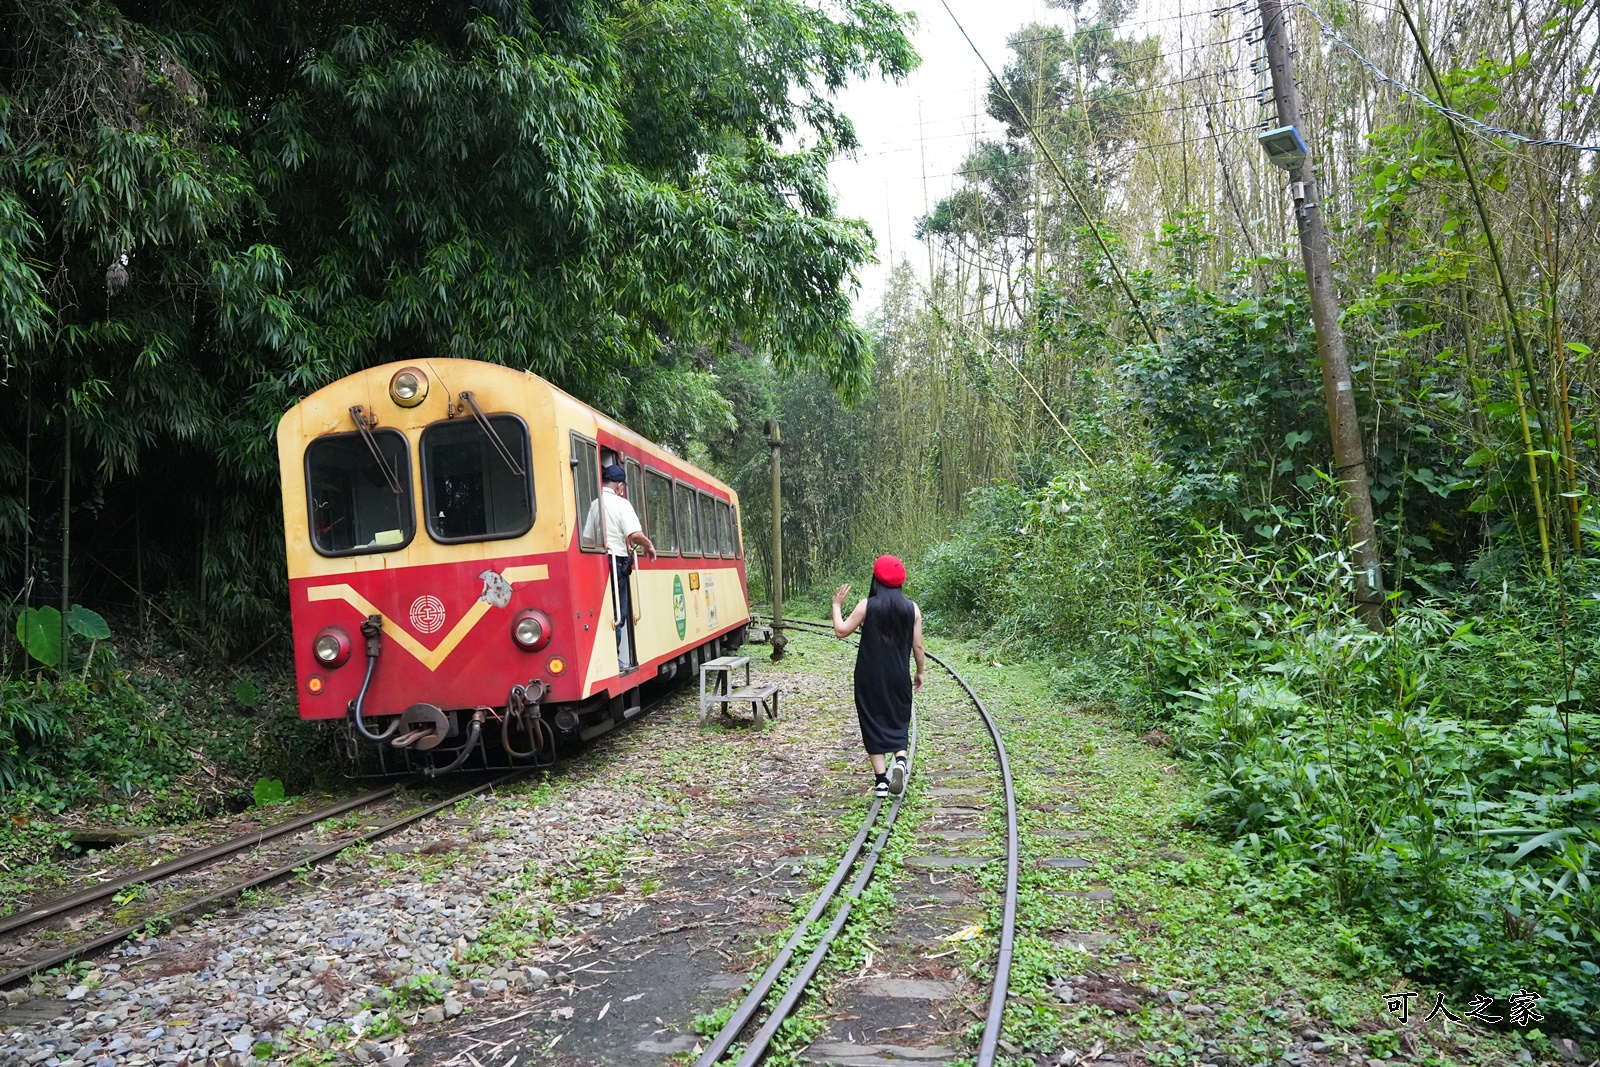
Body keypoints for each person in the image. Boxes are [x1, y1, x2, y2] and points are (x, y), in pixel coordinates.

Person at [832, 554, 925, 798]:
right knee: (898, 718)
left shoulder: (866, 605)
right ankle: (901, 761)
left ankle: (881, 781)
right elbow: (918, 647)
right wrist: (920, 672)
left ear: (876, 579)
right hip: (898, 676)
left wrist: (836, 606)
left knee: (872, 719)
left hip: (869, 675)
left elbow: (842, 631)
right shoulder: (912, 609)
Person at [583, 464, 656, 667]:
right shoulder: (622, 504)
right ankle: (614, 659)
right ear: (620, 486)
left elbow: (587, 538)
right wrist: (649, 546)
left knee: (604, 612)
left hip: (597, 562)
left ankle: (607, 657)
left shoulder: (594, 504)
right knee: (618, 613)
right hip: (617, 562)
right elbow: (634, 534)